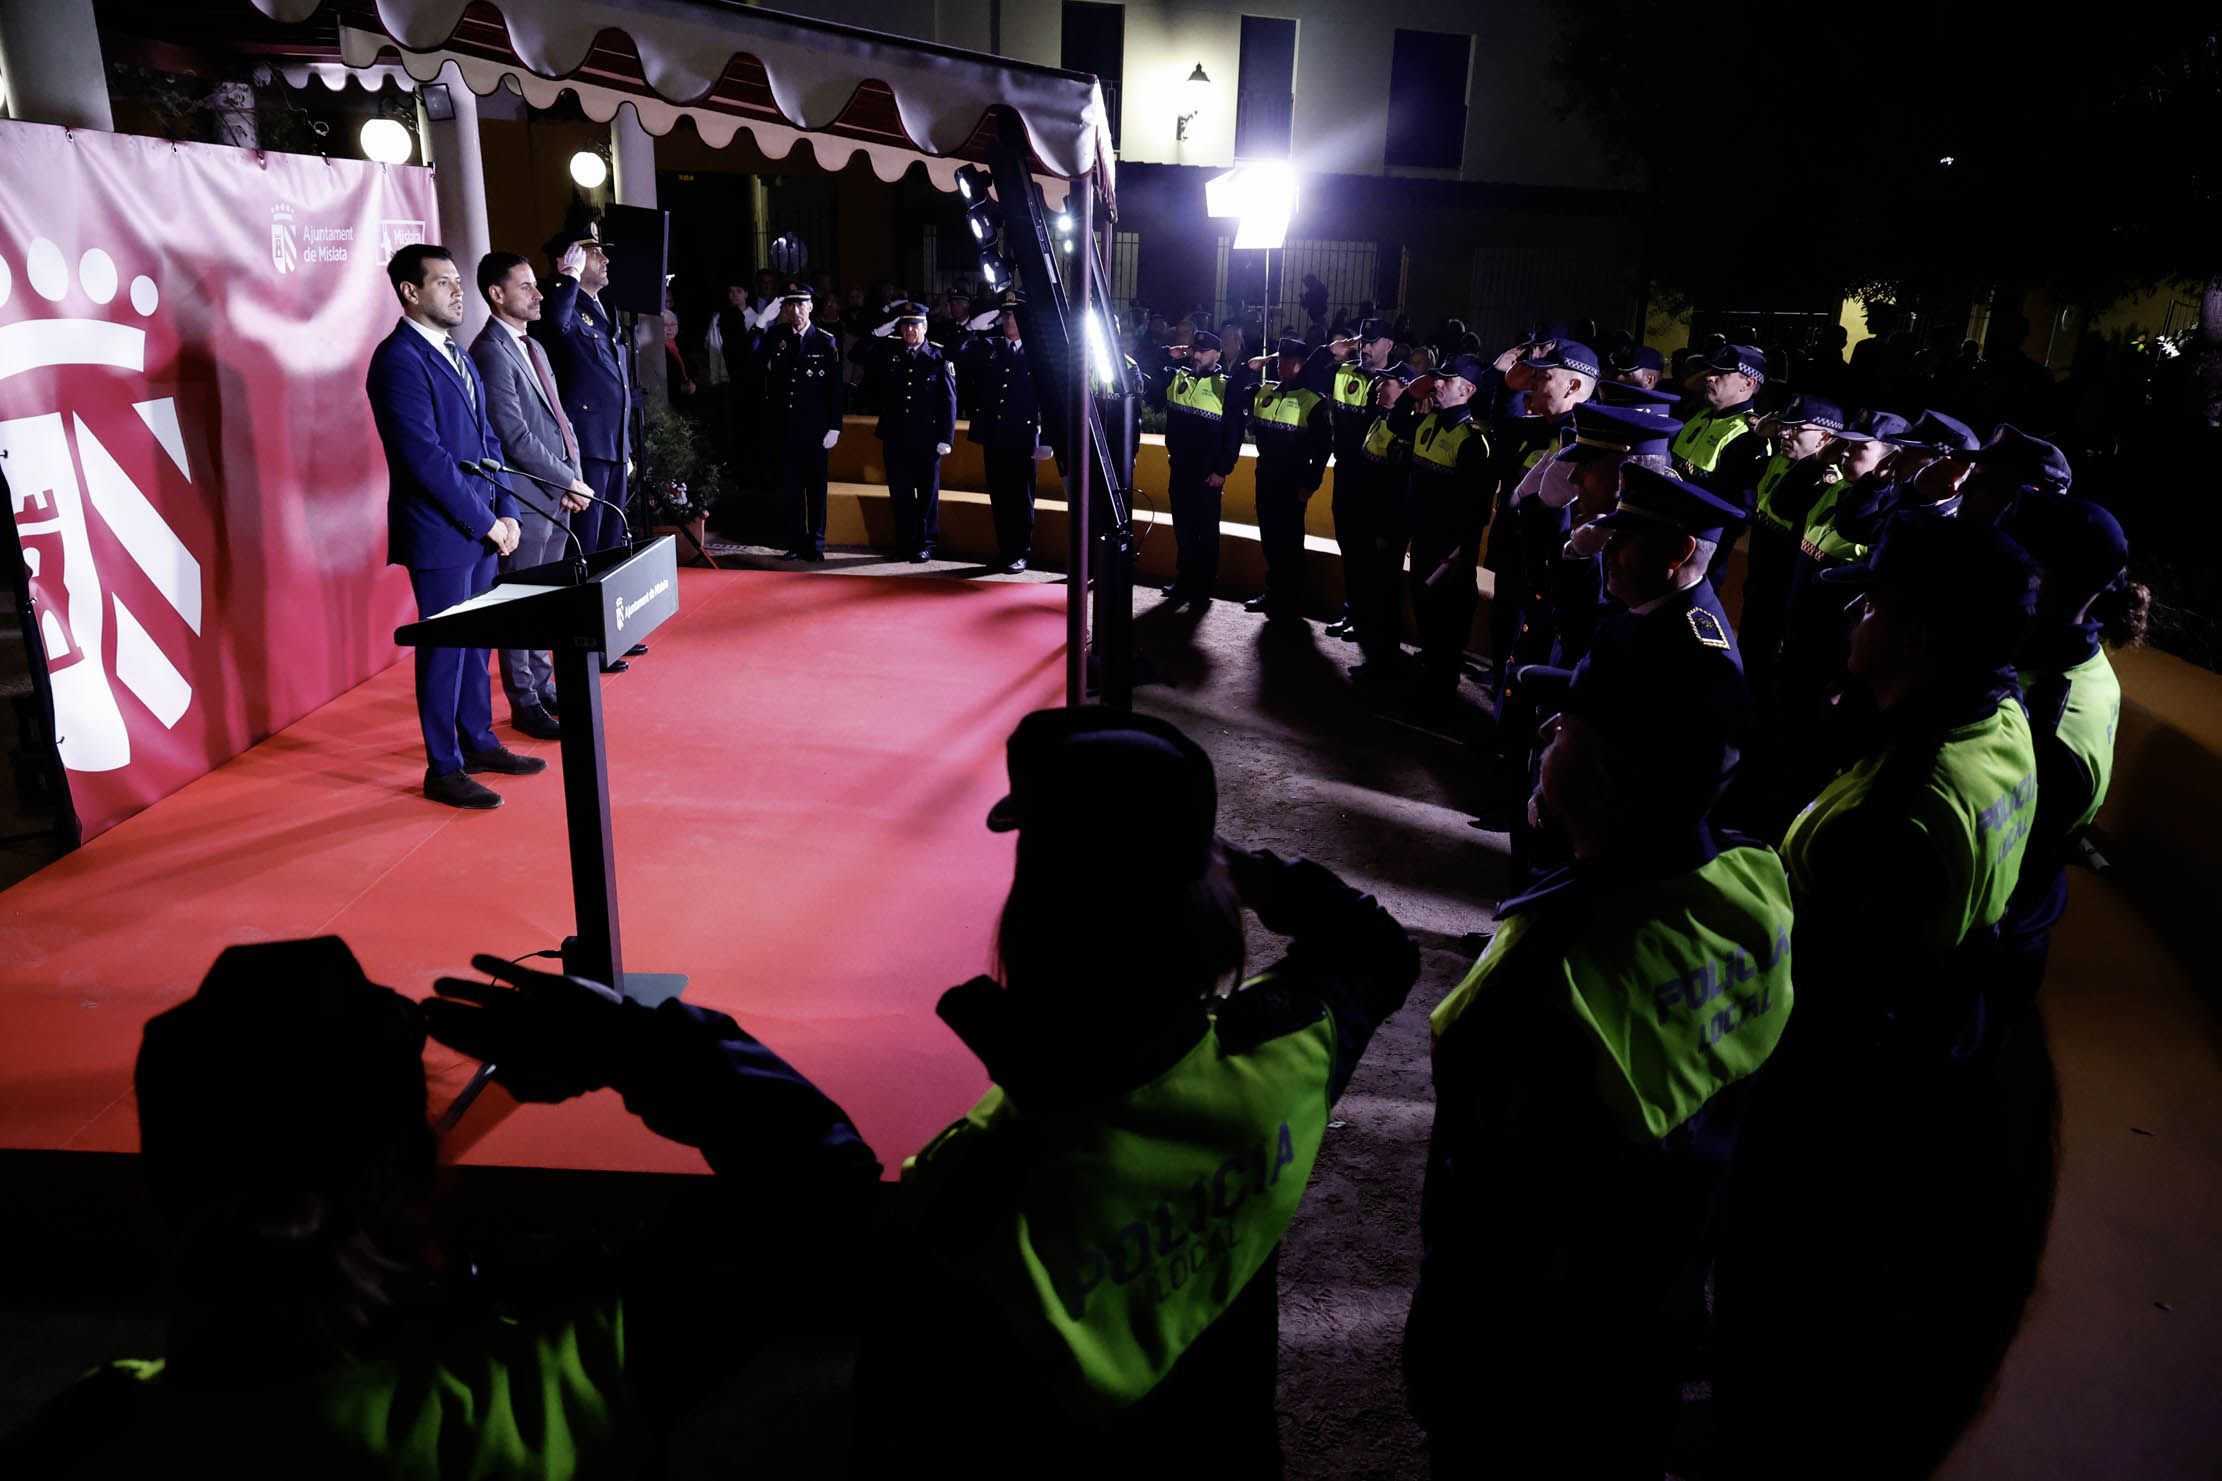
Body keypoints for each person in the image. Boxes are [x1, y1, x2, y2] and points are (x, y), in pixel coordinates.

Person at [1, 936, 883, 1479]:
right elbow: (822, 1188)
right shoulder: (556, 1366)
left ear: (165, 1186)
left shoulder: (91, 1434)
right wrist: (636, 1044)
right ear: (421, 1169)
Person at [854, 706, 1420, 1477]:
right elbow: (1378, 949)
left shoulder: (967, 1197)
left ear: (1033, 925)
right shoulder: (1285, 1056)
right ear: (1207, 910)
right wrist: (1233, 866)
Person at [1409, 591, 1792, 1478]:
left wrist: (1442, 1388)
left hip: (1538, 1375)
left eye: (1567, 728)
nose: (1544, 738)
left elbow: (1482, 1244)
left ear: (1606, 780)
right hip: (1663, 1298)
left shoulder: (1536, 981)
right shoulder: (1758, 883)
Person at [1716, 513, 2045, 1481]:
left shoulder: (1897, 811)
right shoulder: (1997, 717)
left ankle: (1744, 1432)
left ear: (1918, 638)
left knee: (1769, 1282)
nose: (1851, 613)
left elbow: (1816, 1000)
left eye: (1872, 603)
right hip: (1927, 1039)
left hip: (1827, 1091)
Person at [366, 244, 545, 811]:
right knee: (444, 649)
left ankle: (479, 741)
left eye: (456, 280)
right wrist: (487, 521)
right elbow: (424, 458)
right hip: (441, 532)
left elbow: (489, 442)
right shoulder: (397, 360)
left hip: (486, 527)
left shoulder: (458, 355)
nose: (457, 290)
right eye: (442, 282)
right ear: (410, 293)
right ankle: (442, 767)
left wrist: (510, 512)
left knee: (476, 646)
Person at [1996, 494, 2143, 1022]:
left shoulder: (2042, 717)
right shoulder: (2075, 659)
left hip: (1991, 946)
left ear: (2040, 579)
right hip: (2022, 916)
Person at [469, 250, 596, 743]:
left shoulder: (534, 348)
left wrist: (575, 479)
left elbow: (562, 423)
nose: (540, 293)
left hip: (559, 496)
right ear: (497, 294)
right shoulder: (489, 351)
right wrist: (566, 481)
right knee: (521, 605)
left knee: (545, 601)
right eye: (526, 286)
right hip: (526, 501)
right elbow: (513, 435)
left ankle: (543, 686)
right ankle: (524, 702)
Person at [1304, 318, 1407, 644]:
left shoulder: (1404, 379)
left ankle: (1373, 623)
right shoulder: (1345, 371)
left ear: (1389, 344)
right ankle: (1354, 612)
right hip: (1347, 473)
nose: (1364, 348)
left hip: (1380, 480)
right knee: (1350, 547)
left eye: (1372, 342)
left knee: (1376, 557)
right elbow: (1307, 377)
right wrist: (1329, 351)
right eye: (1362, 341)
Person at [1738, 392, 1845, 704]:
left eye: (1797, 428)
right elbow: (1737, 475)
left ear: (1825, 437)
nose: (1784, 432)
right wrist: (1757, 438)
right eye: (1785, 425)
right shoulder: (1779, 462)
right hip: (1759, 589)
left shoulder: (1825, 483)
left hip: (1783, 601)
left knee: (1767, 683)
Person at [1404, 356, 1494, 710]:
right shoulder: (1426, 422)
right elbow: (1396, 423)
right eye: (1435, 378)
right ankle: (1429, 685)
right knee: (1426, 616)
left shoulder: (1473, 440)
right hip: (1424, 540)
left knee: (1447, 625)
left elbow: (1476, 508)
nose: (1436, 384)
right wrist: (1414, 391)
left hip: (1450, 552)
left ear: (1468, 390)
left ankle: (1441, 699)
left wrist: (1460, 552)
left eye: (1447, 380)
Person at [751, 283, 846, 562]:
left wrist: (835, 426)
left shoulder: (825, 341)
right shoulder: (777, 336)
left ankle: (816, 544)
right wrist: (760, 322)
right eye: (790, 305)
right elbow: (752, 355)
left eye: (801, 304)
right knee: (791, 490)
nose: (796, 311)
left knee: (816, 488)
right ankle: (794, 541)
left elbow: (834, 388)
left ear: (811, 307)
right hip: (786, 427)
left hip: (816, 430)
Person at [1155, 329, 1251, 606]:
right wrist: (1170, 353)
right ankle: (1184, 577)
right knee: (1183, 527)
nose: (1196, 355)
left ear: (1217, 355)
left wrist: (1223, 470)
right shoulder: (1178, 377)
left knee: (1206, 530)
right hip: (1181, 466)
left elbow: (1234, 434)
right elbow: (1149, 371)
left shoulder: (1226, 385)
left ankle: (1203, 585)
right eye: (1194, 350)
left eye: (1203, 351)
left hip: (1208, 472)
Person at [1241, 337, 1333, 623]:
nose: (1280, 365)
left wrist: (1311, 483)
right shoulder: (1265, 392)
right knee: (1269, 538)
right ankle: (1274, 592)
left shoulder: (1312, 401)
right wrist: (1249, 368)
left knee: (1289, 542)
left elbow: (1322, 449)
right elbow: (1234, 395)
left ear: (1301, 364)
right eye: (1279, 360)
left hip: (1292, 480)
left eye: (1287, 361)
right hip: (1266, 475)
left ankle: (1290, 599)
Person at [957, 291, 1048, 573]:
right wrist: (970, 328)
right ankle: (1005, 549)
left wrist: (1048, 439)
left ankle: (1020, 551)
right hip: (994, 435)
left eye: (1015, 314)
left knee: (1021, 497)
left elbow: (1050, 398)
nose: (1009, 320)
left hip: (1022, 437)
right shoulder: (989, 348)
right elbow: (953, 353)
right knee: (999, 495)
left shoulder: (1038, 353)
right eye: (1006, 314)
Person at [862, 302, 957, 562]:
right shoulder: (891, 351)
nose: (909, 330)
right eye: (905, 325)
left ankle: (926, 542)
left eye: (914, 325)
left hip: (927, 438)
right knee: (900, 492)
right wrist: (877, 334)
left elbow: (949, 400)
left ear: (925, 326)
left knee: (927, 493)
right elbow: (858, 356)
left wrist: (946, 437)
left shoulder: (938, 356)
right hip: (896, 437)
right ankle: (904, 541)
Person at [1669, 343, 1768, 509]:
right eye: (1711, 371)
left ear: (1748, 383)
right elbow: (1688, 385)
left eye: (1722, 373)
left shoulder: (1747, 435)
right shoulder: (1702, 414)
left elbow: (1738, 506)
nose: (1709, 377)